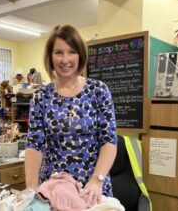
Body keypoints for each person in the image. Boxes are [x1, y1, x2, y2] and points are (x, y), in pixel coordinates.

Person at [25, 25, 118, 206]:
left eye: (72, 52)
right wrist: (30, 186)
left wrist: (97, 181)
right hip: (54, 191)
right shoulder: (41, 96)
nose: (65, 59)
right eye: (59, 52)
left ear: (80, 55)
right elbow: (35, 145)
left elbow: (109, 141)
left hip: (91, 189)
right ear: (50, 57)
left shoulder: (98, 90)